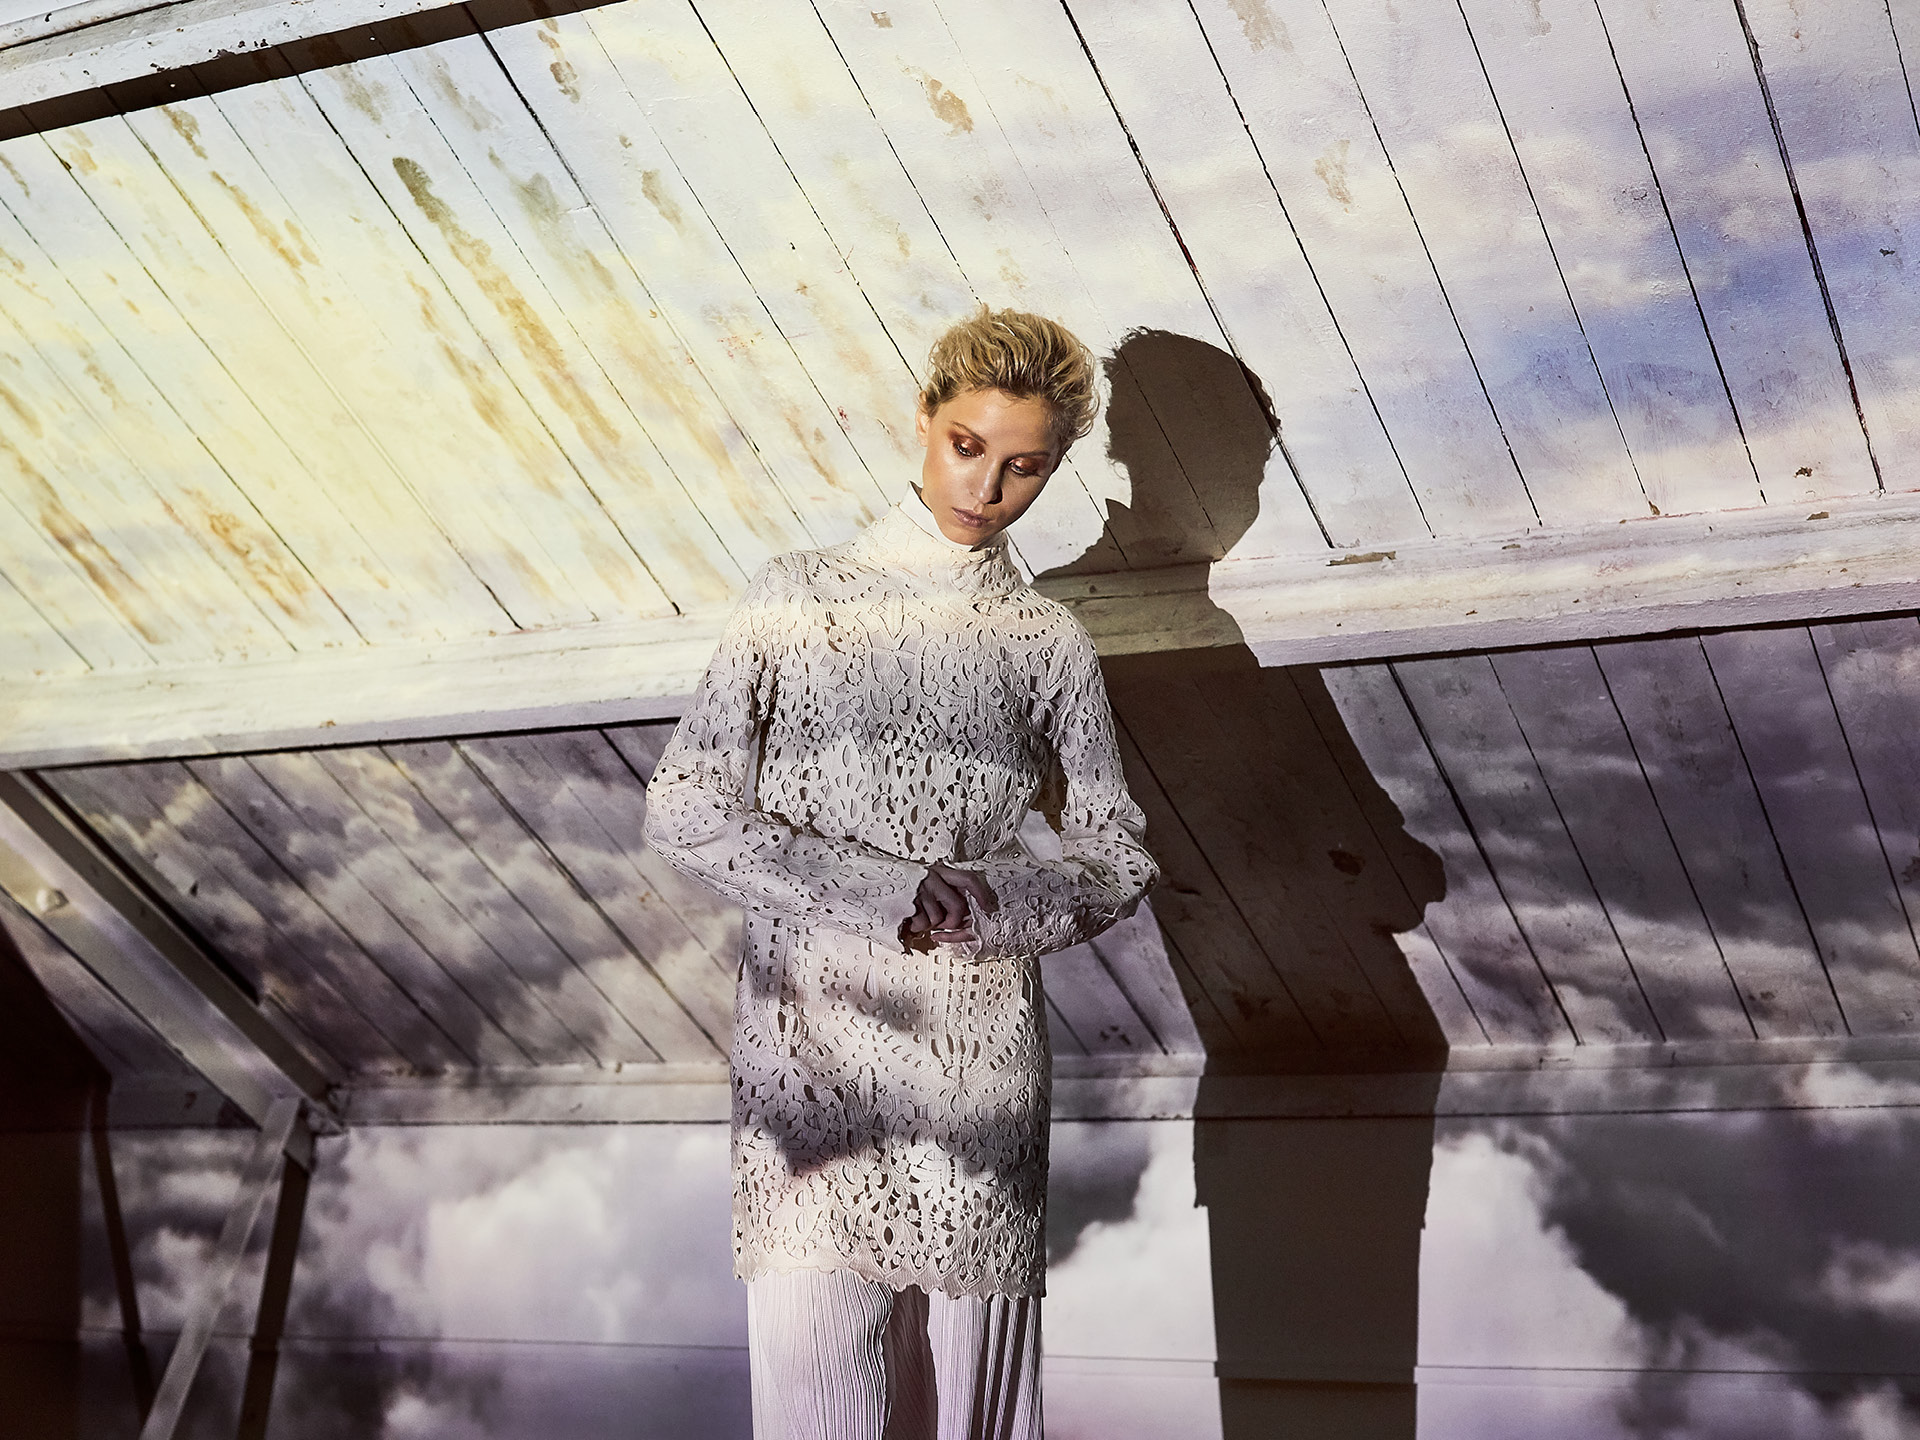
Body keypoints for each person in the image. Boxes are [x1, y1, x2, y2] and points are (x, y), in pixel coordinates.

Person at [641, 307, 1159, 1440]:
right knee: (821, 1406)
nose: (987, 489)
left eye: (1026, 468)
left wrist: (1001, 902)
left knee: (972, 1414)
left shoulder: (1046, 640)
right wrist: (884, 891)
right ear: (923, 421)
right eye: (968, 446)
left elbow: (1119, 854)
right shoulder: (796, 595)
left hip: (979, 1073)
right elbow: (685, 808)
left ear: (1056, 467)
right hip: (808, 1073)